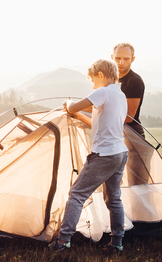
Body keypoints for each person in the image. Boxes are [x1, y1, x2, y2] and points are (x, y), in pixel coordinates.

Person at [49, 59, 129, 252]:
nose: (92, 85)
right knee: (114, 199)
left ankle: (63, 241)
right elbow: (100, 124)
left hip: (104, 155)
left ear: (101, 75)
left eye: (93, 80)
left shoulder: (102, 92)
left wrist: (69, 104)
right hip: (120, 153)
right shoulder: (120, 95)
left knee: (76, 194)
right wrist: (79, 117)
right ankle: (117, 243)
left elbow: (73, 107)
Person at [111, 43, 145, 137]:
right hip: (114, 131)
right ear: (112, 57)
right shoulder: (110, 79)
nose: (121, 62)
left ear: (132, 59)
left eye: (126, 59)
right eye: (118, 58)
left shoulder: (134, 81)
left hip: (132, 134)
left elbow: (128, 117)